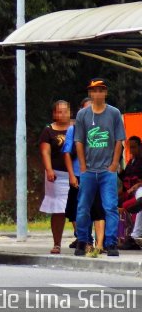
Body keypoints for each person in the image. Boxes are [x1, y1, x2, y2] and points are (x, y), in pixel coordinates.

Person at [74, 78, 126, 257]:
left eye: (101, 90)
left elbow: (119, 140)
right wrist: (82, 166)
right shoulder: (83, 115)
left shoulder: (114, 113)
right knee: (82, 207)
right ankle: (83, 240)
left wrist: (114, 164)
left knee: (110, 206)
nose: (97, 94)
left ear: (105, 93)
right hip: (88, 169)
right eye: (94, 90)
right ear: (90, 93)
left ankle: (111, 243)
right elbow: (79, 141)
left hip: (106, 170)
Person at [62, 98, 106, 253]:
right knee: (78, 210)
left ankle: (100, 244)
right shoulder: (73, 130)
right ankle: (85, 240)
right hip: (79, 175)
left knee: (98, 209)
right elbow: (67, 153)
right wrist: (71, 176)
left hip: (97, 174)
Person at [39, 100, 72, 254]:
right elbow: (45, 152)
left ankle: (83, 240)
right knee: (59, 209)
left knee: (78, 208)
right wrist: (49, 169)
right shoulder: (48, 130)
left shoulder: (76, 128)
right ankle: (57, 243)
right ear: (54, 114)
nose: (62, 114)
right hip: (56, 175)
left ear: (70, 112)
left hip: (75, 173)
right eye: (59, 111)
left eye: (65, 111)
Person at [118, 136, 142, 249]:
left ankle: (130, 236)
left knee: (127, 205)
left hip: (138, 192)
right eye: (129, 148)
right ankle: (117, 237)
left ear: (140, 147)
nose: (131, 150)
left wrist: (136, 186)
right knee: (112, 203)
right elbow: (125, 177)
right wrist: (119, 171)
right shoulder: (131, 161)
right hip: (129, 191)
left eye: (134, 147)